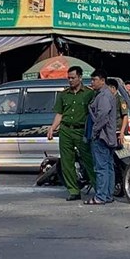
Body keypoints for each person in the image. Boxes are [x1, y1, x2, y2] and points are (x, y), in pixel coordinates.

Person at [47, 65, 96, 201]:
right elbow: (60, 114)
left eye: (73, 78)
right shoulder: (64, 95)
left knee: (88, 159)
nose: (70, 80)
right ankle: (73, 190)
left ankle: (98, 188)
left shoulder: (89, 93)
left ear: (80, 78)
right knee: (66, 161)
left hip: (81, 130)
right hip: (66, 130)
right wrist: (52, 128)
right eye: (68, 78)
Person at [86, 69, 117, 205]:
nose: (92, 82)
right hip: (108, 136)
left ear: (102, 80)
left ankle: (101, 196)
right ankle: (108, 195)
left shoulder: (103, 96)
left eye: (94, 79)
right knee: (108, 167)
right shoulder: (104, 94)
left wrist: (94, 131)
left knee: (101, 168)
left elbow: (102, 115)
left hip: (102, 136)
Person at [107, 78, 129, 147]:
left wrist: (122, 132)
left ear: (113, 88)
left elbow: (125, 116)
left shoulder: (120, 99)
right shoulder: (108, 99)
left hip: (117, 131)